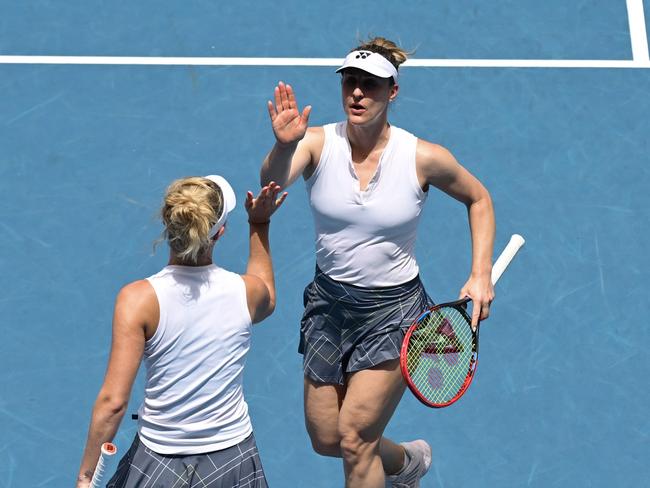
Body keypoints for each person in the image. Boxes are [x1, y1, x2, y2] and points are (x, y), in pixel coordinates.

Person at [261, 37, 495, 488]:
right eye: (351, 82)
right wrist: (283, 147)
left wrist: (480, 273)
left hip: (395, 313)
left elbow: (478, 198)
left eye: (370, 85)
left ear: (393, 92)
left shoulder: (422, 157)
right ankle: (406, 464)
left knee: (354, 439)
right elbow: (271, 182)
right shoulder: (315, 144)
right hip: (328, 308)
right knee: (327, 437)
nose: (357, 94)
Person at [76, 176, 287, 488]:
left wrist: (86, 477)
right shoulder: (247, 292)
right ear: (220, 233)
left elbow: (113, 403)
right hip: (234, 462)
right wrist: (259, 223)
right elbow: (267, 293)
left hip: (157, 463)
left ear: (167, 222)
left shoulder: (138, 300)